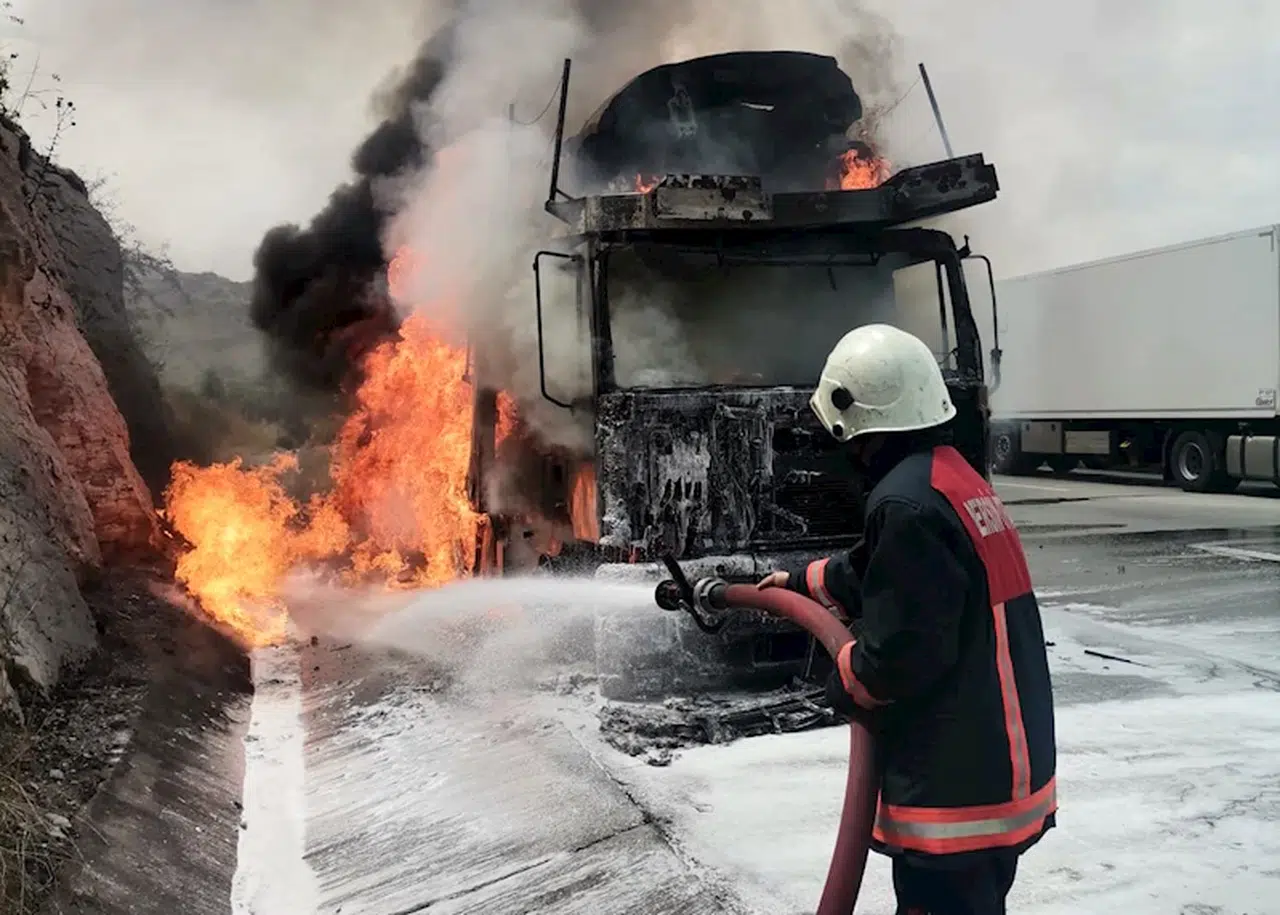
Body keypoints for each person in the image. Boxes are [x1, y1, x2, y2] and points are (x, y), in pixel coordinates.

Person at [758, 324, 1057, 915]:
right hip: (996, 772)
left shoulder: (904, 506)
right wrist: (798, 584)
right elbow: (882, 572)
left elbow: (898, 658)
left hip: (957, 794)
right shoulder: (948, 480)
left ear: (856, 422)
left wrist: (844, 675)